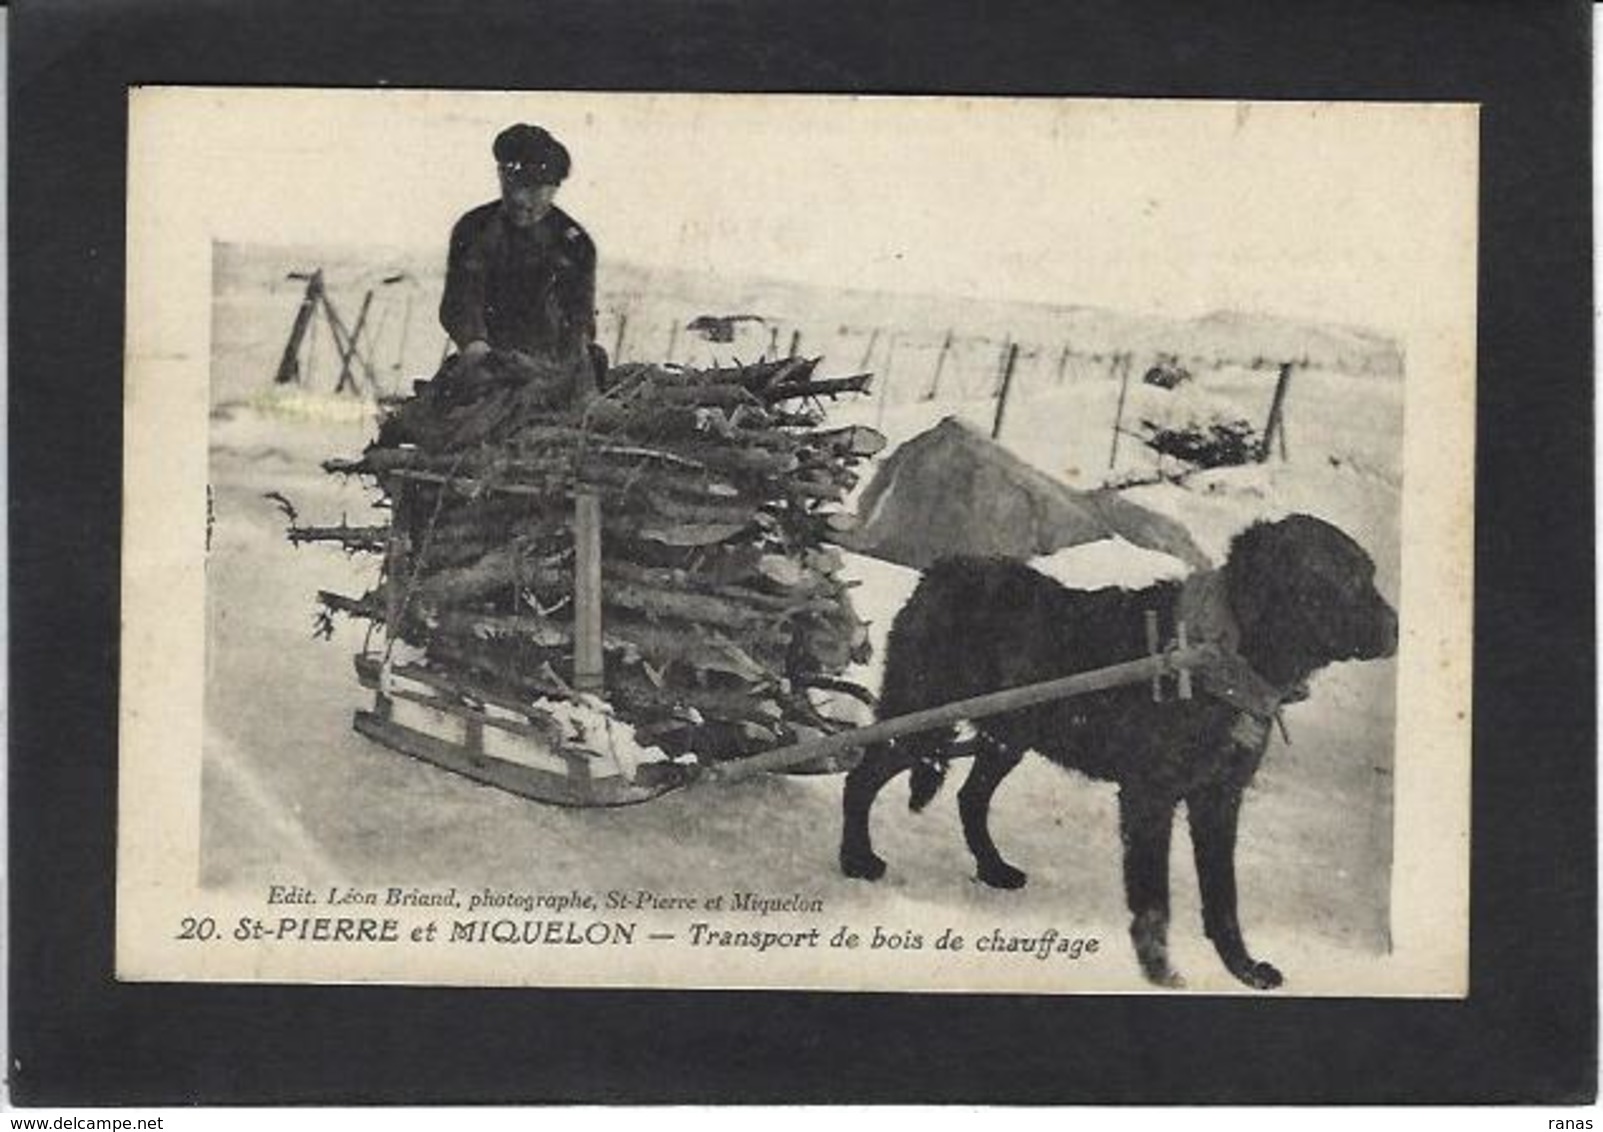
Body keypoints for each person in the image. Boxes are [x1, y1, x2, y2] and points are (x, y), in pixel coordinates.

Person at [438, 123, 605, 394]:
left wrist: (564, 365)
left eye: (535, 189)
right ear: (501, 174)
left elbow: (580, 319)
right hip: (487, 363)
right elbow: (460, 299)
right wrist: (474, 343)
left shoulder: (574, 244)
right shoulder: (474, 229)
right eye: (513, 185)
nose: (520, 199)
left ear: (554, 187)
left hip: (551, 367)